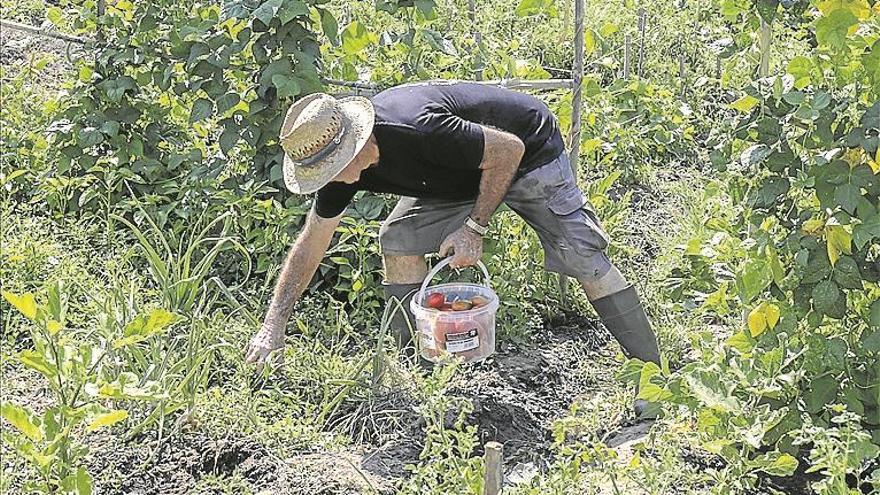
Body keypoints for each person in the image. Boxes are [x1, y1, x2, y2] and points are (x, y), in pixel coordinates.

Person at [244, 82, 661, 416]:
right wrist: (273, 324)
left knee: (582, 257)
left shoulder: (419, 130)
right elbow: (313, 239)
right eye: (326, 173)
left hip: (525, 150)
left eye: (338, 167)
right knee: (399, 238)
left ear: (358, 140)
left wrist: (473, 228)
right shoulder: (339, 171)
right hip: (459, 174)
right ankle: (422, 377)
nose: (339, 179)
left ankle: (653, 378)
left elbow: (508, 150)